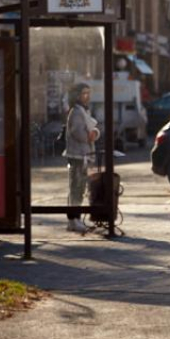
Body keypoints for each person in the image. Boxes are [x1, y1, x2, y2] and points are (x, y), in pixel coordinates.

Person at [64, 83, 100, 233]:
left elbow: (91, 127)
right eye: (84, 93)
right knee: (76, 187)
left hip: (83, 154)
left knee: (79, 187)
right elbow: (78, 132)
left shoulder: (83, 110)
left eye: (88, 93)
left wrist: (95, 133)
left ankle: (75, 219)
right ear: (77, 96)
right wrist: (90, 136)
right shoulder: (76, 112)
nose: (87, 96)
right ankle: (73, 219)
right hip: (77, 155)